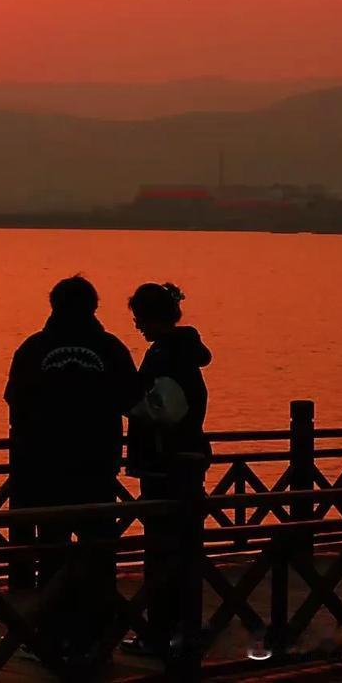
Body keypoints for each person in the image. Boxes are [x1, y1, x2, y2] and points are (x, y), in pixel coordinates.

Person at [4, 275, 141, 665]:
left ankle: (50, 635)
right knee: (100, 549)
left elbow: (16, 404)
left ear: (53, 305)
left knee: (52, 551)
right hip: (97, 464)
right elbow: (132, 399)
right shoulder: (110, 347)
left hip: (45, 467)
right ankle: (100, 634)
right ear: (94, 308)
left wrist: (24, 462)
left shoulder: (34, 347)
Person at [122, 281, 213, 657]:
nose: (137, 326)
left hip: (166, 464)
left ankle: (161, 632)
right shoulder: (184, 352)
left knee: (162, 549)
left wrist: (127, 401)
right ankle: (185, 628)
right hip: (187, 459)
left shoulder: (166, 355)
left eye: (140, 319)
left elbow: (164, 410)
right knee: (186, 547)